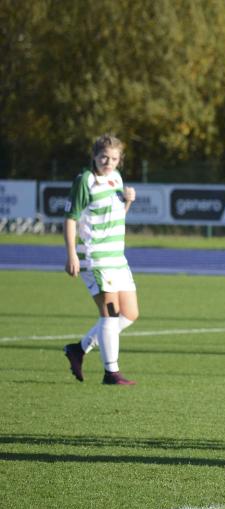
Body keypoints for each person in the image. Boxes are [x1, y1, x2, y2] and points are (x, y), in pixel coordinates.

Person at [62, 134, 139, 385]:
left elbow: (115, 216)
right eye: (104, 156)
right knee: (110, 314)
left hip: (117, 257)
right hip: (95, 257)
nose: (108, 161)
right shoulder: (85, 180)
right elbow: (71, 219)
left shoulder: (116, 178)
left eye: (114, 158)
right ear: (94, 156)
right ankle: (111, 372)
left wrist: (127, 202)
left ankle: (79, 349)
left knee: (129, 314)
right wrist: (72, 253)